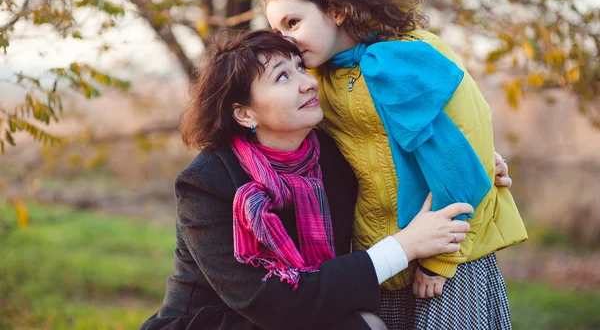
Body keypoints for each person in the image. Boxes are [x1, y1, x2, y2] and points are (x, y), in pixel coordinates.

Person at [140, 30, 478, 330]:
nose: (309, 82)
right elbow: (269, 301)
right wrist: (404, 248)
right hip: (222, 321)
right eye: (283, 77)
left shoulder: (330, 154)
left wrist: (482, 161)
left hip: (308, 310)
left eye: (300, 67)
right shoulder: (206, 182)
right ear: (244, 113)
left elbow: (392, 163)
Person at [262, 0, 527, 329]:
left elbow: (459, 155)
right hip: (385, 255)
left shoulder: (405, 56)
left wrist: (439, 261)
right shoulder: (316, 81)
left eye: (293, 22)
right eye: (277, 31)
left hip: (448, 255)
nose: (286, 38)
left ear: (336, 11)